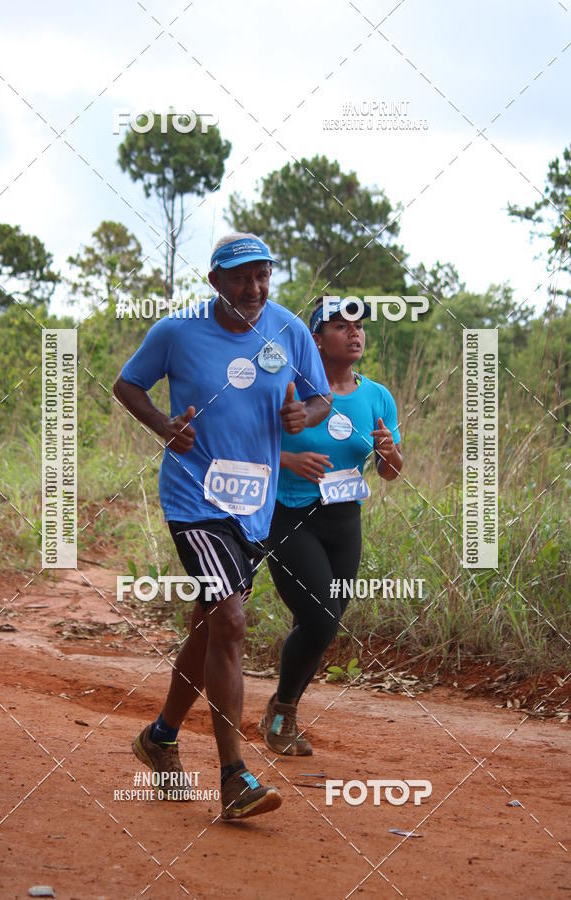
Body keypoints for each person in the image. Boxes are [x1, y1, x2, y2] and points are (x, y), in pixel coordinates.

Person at [113, 234, 331, 819]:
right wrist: (164, 425)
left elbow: (320, 399)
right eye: (240, 277)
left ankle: (160, 738)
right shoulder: (177, 331)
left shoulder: (289, 330)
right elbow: (127, 384)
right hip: (194, 501)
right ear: (214, 281)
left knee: (210, 627)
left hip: (254, 505)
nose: (254, 288)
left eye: (262, 276)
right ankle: (234, 777)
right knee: (230, 619)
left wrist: (302, 414)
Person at [259, 295, 403, 755]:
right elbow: (245, 445)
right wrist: (289, 460)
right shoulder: (287, 387)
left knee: (326, 621)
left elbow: (389, 472)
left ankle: (283, 711)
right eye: (340, 326)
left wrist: (389, 453)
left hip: (344, 521)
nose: (354, 333)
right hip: (288, 515)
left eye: (358, 326)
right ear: (316, 339)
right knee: (320, 619)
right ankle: (282, 712)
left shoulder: (377, 396)